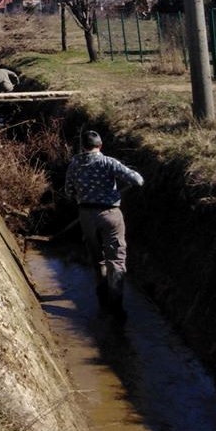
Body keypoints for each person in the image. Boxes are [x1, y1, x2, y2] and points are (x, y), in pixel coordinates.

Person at [64, 130, 144, 321]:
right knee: (116, 260)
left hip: (86, 216)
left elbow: (68, 192)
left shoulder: (74, 164)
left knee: (96, 257)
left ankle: (102, 293)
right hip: (110, 215)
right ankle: (116, 305)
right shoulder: (108, 162)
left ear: (83, 147)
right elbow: (138, 181)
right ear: (100, 145)